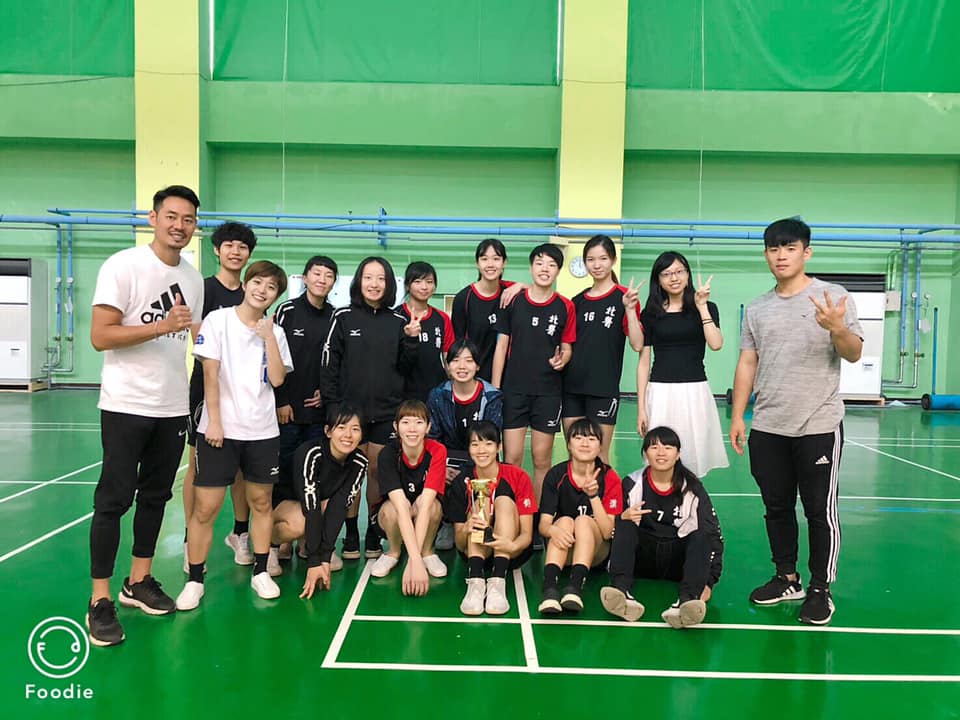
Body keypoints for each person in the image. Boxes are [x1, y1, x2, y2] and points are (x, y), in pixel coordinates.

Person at [86, 185, 204, 647]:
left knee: (155, 497)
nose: (179, 225)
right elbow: (101, 336)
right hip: (125, 404)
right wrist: (161, 326)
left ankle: (138, 580)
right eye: (171, 216)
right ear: (153, 218)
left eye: (188, 219)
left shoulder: (193, 279)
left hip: (171, 405)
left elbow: (194, 337)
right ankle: (99, 599)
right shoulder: (123, 266)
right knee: (113, 500)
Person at [730, 218, 863, 626]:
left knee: (819, 511)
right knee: (776, 507)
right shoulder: (757, 308)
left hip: (817, 423)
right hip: (768, 424)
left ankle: (821, 588)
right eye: (773, 249)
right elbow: (747, 362)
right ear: (766, 255)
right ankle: (787, 578)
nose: (781, 256)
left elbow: (853, 353)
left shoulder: (833, 297)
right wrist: (738, 415)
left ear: (807, 252)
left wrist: (837, 328)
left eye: (789, 248)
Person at [176, 261, 293, 610]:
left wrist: (268, 337)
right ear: (245, 284)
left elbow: (277, 379)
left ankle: (261, 571)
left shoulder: (276, 332)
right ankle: (195, 580)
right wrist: (214, 421)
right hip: (219, 431)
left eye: (271, 287)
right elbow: (210, 374)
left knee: (261, 503)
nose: (262, 290)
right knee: (206, 508)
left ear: (276, 296)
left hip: (262, 431)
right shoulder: (218, 321)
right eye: (257, 282)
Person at [320, 256, 419, 560]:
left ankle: (374, 531)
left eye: (380, 279)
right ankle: (351, 533)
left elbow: (406, 368)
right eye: (368, 277)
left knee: (376, 472)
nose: (374, 284)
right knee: (351, 474)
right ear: (358, 281)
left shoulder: (399, 321)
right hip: (350, 415)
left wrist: (411, 340)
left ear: (389, 284)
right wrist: (334, 409)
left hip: (386, 414)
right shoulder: (343, 317)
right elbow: (329, 364)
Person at [182, 221, 257, 572]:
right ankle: (191, 538)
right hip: (205, 387)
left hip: (245, 392)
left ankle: (240, 532)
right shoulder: (202, 289)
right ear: (217, 250)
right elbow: (202, 345)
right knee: (198, 464)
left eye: (242, 247)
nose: (235, 252)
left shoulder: (252, 292)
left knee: (242, 464)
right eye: (229, 245)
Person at [600, 426, 724, 629]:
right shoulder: (632, 483)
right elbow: (611, 530)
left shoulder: (692, 487)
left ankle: (688, 600)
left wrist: (709, 581)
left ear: (678, 454)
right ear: (645, 453)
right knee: (625, 523)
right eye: (654, 447)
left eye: (668, 447)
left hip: (678, 562)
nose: (661, 452)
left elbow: (712, 535)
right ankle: (620, 590)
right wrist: (622, 518)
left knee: (702, 534)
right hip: (642, 559)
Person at [492, 243, 576, 506]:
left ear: (558, 270)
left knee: (542, 460)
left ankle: (539, 515)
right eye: (539, 263)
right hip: (514, 390)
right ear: (531, 267)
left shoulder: (565, 306)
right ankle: (510, 512)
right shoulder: (513, 300)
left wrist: (563, 359)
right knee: (512, 458)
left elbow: (567, 347)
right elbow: (502, 346)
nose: (545, 269)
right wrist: (495, 390)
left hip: (548, 393)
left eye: (551, 264)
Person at [637, 251, 727, 477]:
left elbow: (716, 344)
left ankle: (691, 499)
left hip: (694, 391)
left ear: (688, 274)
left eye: (679, 271)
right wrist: (641, 408)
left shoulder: (707, 307)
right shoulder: (651, 313)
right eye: (666, 274)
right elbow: (643, 362)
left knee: (693, 455)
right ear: (658, 280)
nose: (674, 278)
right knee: (659, 457)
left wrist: (702, 306)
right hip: (660, 391)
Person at [273, 255, 339, 564]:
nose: (322, 280)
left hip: (318, 414)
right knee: (284, 473)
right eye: (317, 273)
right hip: (287, 412)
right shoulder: (287, 311)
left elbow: (336, 362)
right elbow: (273, 356)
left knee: (313, 475)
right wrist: (281, 400)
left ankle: (306, 538)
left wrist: (326, 394)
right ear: (305, 277)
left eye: (328, 275)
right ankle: (280, 539)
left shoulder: (335, 317)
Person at [269, 405, 368, 599]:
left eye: (355, 429)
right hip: (283, 503)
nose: (348, 435)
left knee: (330, 506)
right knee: (302, 521)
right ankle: (270, 545)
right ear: (328, 431)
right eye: (341, 427)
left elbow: (339, 507)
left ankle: (307, 543)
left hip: (313, 506)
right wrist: (314, 562)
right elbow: (311, 506)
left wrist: (325, 557)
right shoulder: (311, 453)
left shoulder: (359, 462)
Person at [562, 235, 644, 463]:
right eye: (591, 259)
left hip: (603, 390)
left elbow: (637, 344)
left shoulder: (625, 298)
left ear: (613, 260)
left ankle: (602, 490)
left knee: (599, 455)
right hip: (571, 389)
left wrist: (629, 310)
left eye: (603, 258)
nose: (597, 265)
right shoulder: (576, 302)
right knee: (575, 455)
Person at [446, 421, 537, 616]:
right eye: (475, 444)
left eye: (488, 443)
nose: (481, 450)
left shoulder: (518, 476)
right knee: (482, 499)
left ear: (499, 447)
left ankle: (498, 583)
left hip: (512, 552)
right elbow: (460, 544)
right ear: (469, 449)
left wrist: (513, 545)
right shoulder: (462, 481)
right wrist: (467, 527)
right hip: (475, 554)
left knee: (503, 501)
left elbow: (527, 535)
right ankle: (476, 582)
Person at [538, 418, 622, 614]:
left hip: (596, 553)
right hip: (564, 547)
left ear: (600, 446)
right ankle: (549, 590)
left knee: (583, 521)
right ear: (568, 444)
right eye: (578, 438)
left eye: (591, 438)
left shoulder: (610, 477)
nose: (585, 443)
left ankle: (574, 588)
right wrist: (553, 531)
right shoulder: (556, 475)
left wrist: (593, 496)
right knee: (565, 521)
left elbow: (608, 532)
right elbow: (543, 525)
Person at [426, 338, 502, 550]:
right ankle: (448, 522)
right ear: (448, 365)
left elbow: (491, 441)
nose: (462, 366)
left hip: (479, 457)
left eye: (469, 361)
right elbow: (432, 439)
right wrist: (441, 467)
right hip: (447, 457)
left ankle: (481, 523)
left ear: (477, 366)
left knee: (483, 474)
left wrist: (470, 469)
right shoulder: (437, 395)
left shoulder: (492, 397)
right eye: (456, 360)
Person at [368, 400, 448, 593]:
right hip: (397, 513)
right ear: (396, 427)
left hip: (423, 510)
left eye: (419, 422)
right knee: (392, 509)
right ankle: (394, 552)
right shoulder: (388, 454)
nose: (412, 429)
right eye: (405, 422)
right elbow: (402, 508)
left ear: (428, 427)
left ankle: (427, 552)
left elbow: (426, 505)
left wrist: (415, 561)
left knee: (432, 506)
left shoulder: (437, 450)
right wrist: (414, 562)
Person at [450, 239, 524, 382]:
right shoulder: (464, 298)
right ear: (477, 263)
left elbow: (538, 291)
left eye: (496, 259)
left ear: (504, 263)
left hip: (508, 379)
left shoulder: (511, 292)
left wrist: (520, 285)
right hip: (474, 378)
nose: (490, 264)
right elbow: (457, 345)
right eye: (484, 259)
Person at [397, 261, 454, 402]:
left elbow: (449, 358)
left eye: (429, 282)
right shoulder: (396, 317)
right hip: (404, 396)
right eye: (417, 281)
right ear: (407, 285)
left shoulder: (442, 318)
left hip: (436, 393)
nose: (424, 287)